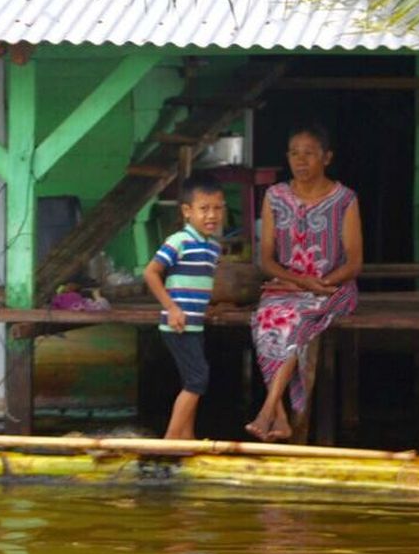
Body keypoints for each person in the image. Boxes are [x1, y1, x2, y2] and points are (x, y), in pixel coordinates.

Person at [245, 125, 362, 442]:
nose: (301, 160)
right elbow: (266, 260)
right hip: (288, 286)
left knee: (294, 321)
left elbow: (353, 263)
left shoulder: (344, 199)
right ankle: (280, 416)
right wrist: (298, 281)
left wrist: (318, 283)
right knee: (266, 319)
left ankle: (268, 410)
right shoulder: (275, 196)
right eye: (294, 153)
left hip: (332, 288)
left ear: (327, 157)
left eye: (309, 153)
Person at [143, 172, 225, 440]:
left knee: (191, 381)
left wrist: (207, 307)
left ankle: (186, 440)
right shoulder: (179, 241)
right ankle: (170, 440)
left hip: (195, 325)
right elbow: (151, 273)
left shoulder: (213, 247)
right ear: (187, 211)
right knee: (198, 380)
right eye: (204, 209)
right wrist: (172, 308)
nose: (211, 215)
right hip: (177, 324)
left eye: (217, 208)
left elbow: (198, 283)